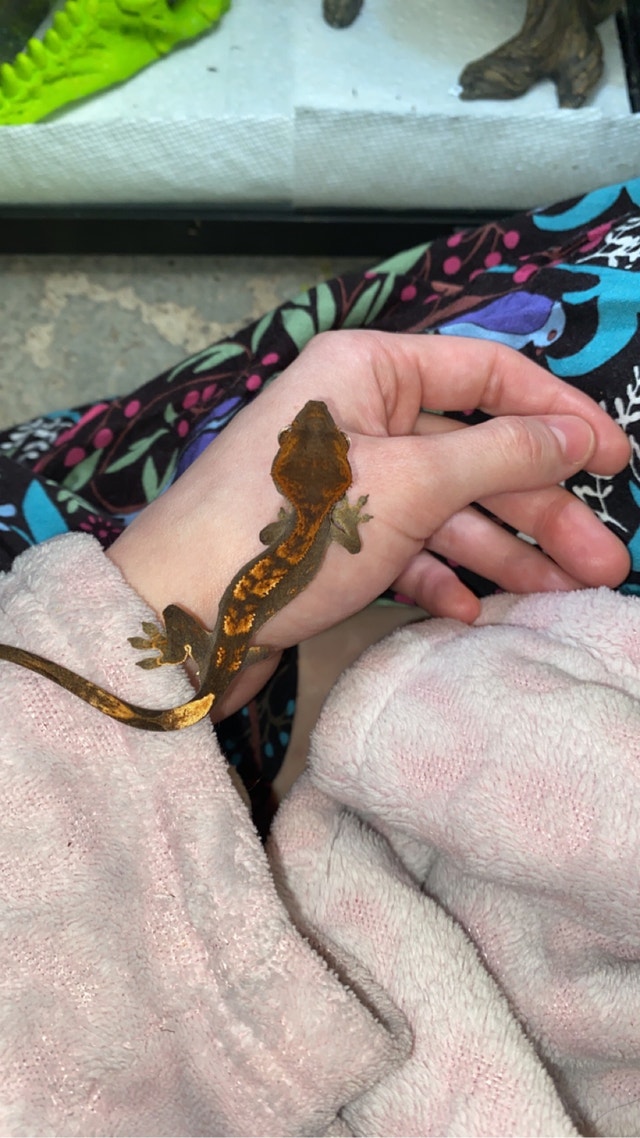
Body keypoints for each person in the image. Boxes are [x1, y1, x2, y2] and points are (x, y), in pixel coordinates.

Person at [0, 328, 630, 1135]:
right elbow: (318, 537)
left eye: (312, 442)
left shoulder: (310, 521)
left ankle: (181, 658)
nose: (314, 435)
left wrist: (161, 612)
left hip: (212, 646)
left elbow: (289, 545)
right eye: (313, 444)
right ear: (324, 489)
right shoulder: (326, 518)